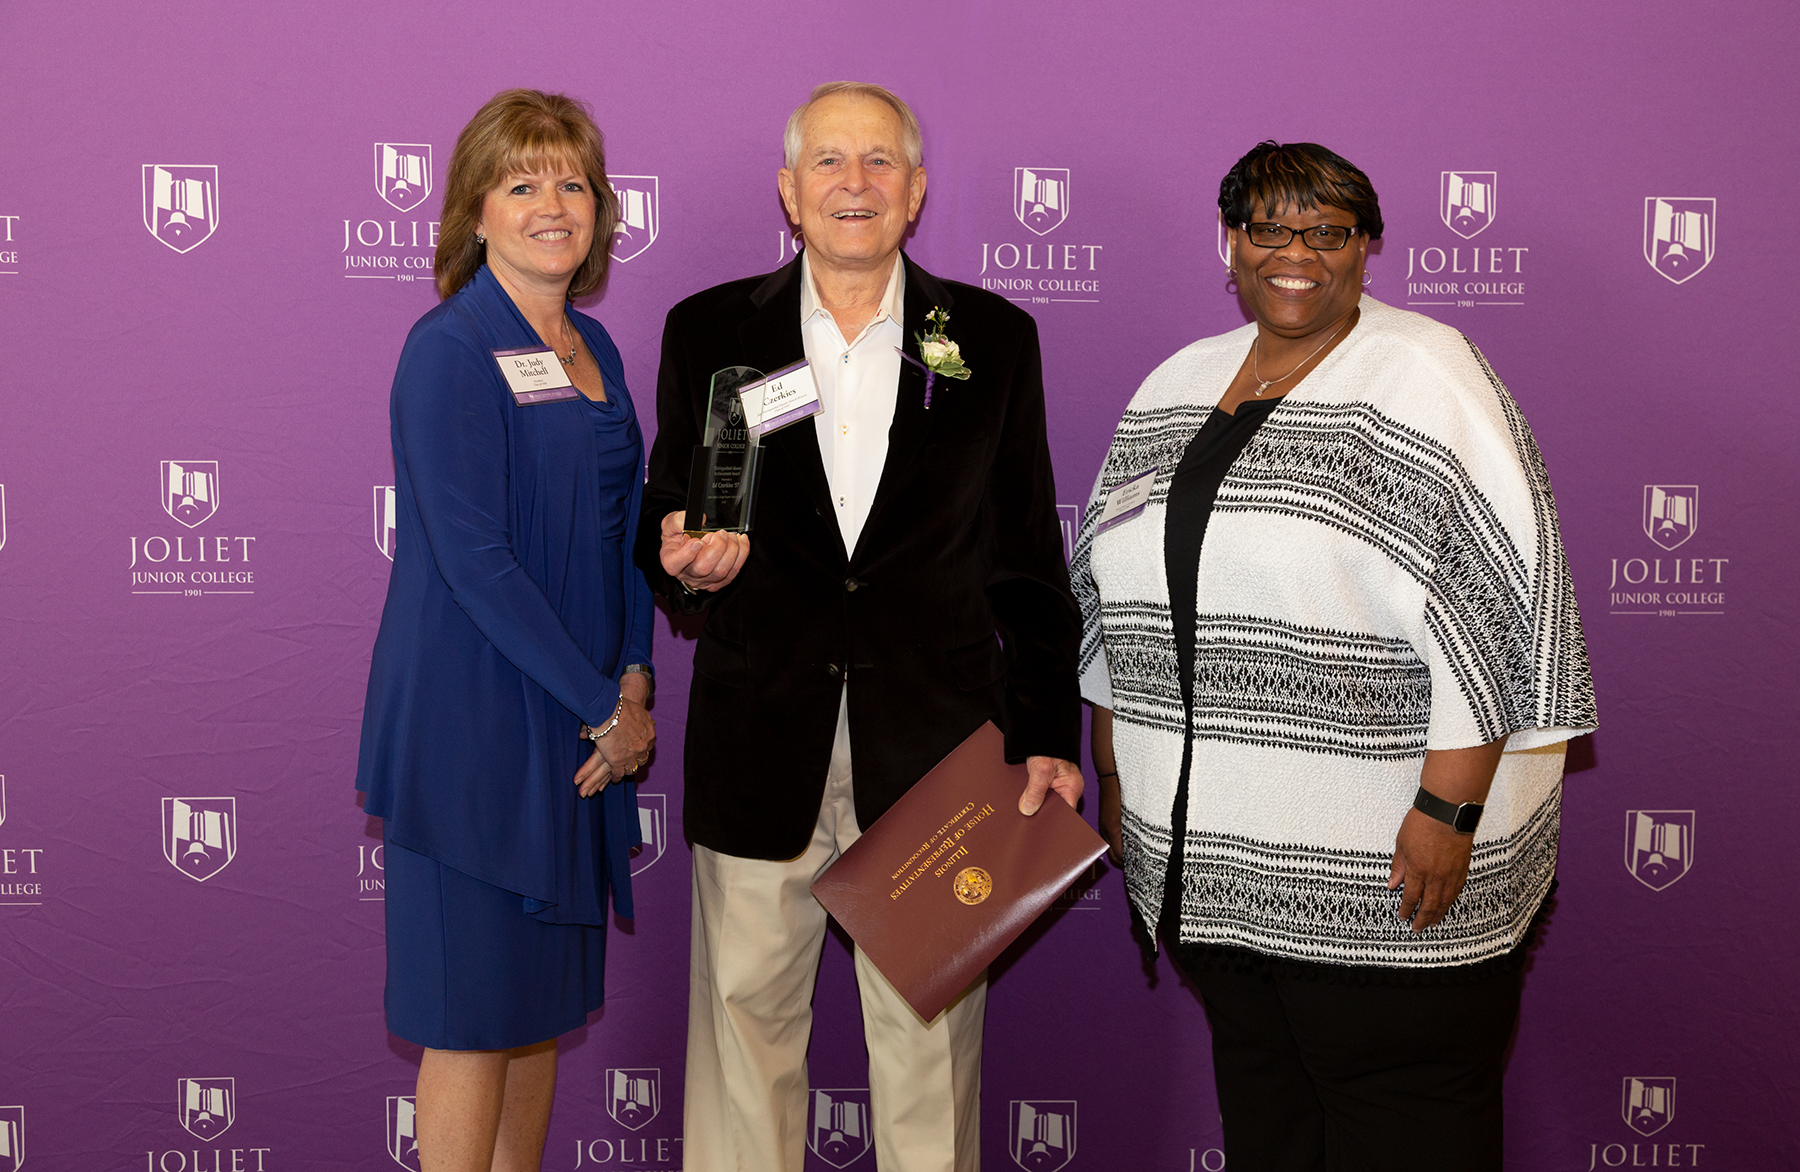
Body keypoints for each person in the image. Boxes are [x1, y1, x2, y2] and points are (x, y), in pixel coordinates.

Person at [1072, 141, 1597, 1171]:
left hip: (1384, 879)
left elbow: (1503, 604)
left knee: (1405, 1133)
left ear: (1367, 247)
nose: (1297, 253)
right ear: (1230, 243)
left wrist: (1449, 814)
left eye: (1328, 231)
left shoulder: (1427, 375)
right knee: (1270, 1128)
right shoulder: (1178, 382)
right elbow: (1110, 592)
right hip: (1219, 876)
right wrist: (1117, 771)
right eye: (1269, 227)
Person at [632, 81, 1083, 1172]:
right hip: (758, 740)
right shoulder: (710, 329)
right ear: (789, 192)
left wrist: (1046, 736)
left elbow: (1029, 558)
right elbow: (669, 512)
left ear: (916, 191)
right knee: (744, 1044)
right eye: (828, 161)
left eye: (880, 161)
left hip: (936, 759)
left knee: (930, 1065)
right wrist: (677, 561)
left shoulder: (990, 339)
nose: (855, 182)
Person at [356, 88, 656, 1172]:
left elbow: (625, 535)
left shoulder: (596, 347)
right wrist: (604, 708)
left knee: (537, 1017)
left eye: (572, 182)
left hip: (579, 725)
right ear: (474, 212)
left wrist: (634, 680)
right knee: (470, 1018)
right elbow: (475, 562)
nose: (552, 204)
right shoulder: (447, 348)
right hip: (475, 726)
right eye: (522, 182)